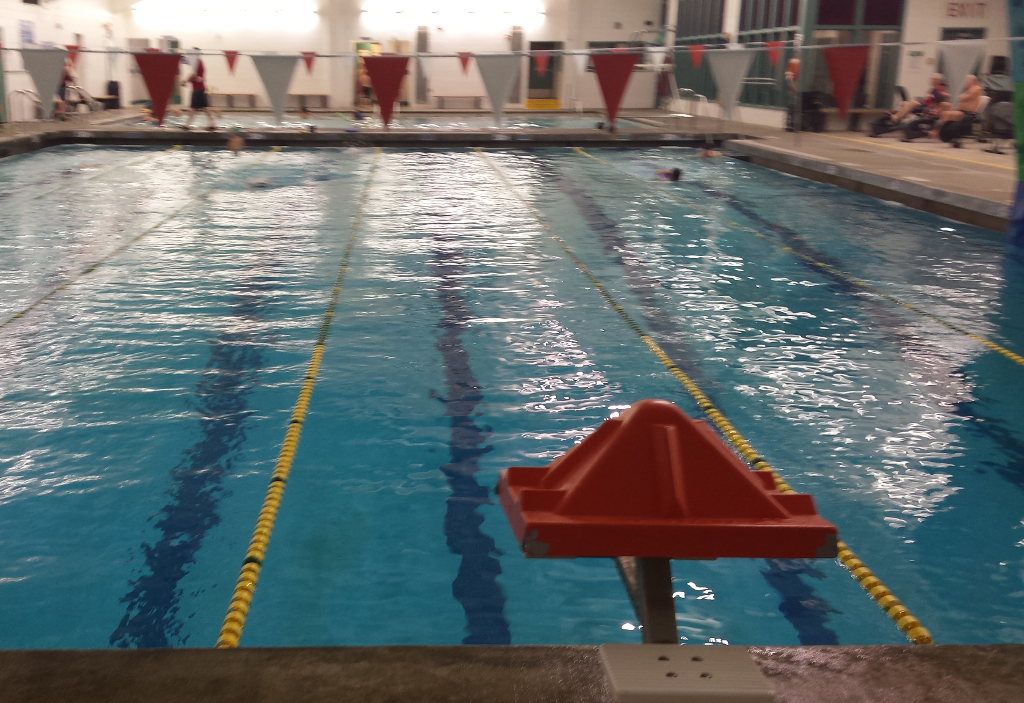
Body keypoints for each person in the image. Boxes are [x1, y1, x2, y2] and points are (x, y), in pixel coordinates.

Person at [181, 50, 216, 131]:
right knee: (205, 107)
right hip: (200, 89)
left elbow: (193, 75)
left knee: (192, 108)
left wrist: (185, 81)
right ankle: (212, 124)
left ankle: (187, 124)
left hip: (198, 90)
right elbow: (194, 75)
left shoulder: (197, 63)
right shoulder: (198, 62)